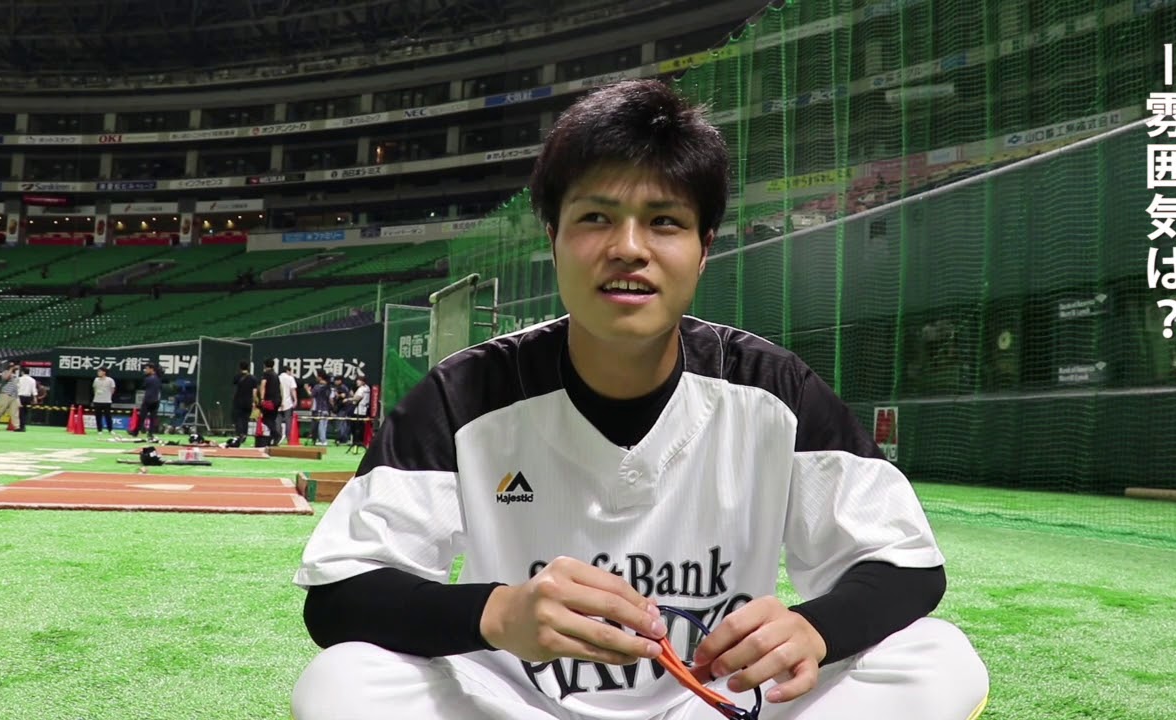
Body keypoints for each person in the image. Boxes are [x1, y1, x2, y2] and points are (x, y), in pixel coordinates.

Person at [290, 79, 989, 720]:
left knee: (937, 659)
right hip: (514, 705)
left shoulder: (772, 389)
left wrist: (815, 628)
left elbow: (905, 566)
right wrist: (497, 613)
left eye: (664, 222)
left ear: (704, 247)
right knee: (342, 683)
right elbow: (340, 596)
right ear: (554, 238)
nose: (628, 248)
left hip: (712, 703)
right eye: (596, 217)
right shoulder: (465, 392)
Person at [130, 362, 162, 441]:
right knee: (152, 418)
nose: (145, 370)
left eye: (147, 369)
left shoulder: (148, 379)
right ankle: (150, 434)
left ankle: (136, 432)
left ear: (152, 369)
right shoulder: (158, 378)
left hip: (148, 400)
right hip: (156, 400)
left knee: (142, 417)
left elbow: (144, 386)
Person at [0, 363, 20, 432]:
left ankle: (17, 427)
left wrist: (17, 397)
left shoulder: (16, 375)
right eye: (13, 366)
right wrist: (11, 369)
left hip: (14, 395)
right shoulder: (5, 372)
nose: (16, 367)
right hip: (5, 394)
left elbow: (16, 386)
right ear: (10, 367)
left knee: (15, 412)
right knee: (1, 411)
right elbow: (5, 378)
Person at [257, 358, 282, 446]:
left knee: (266, 419)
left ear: (264, 365)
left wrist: (262, 398)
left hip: (269, 401)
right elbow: (280, 388)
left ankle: (276, 434)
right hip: (277, 400)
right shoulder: (276, 375)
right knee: (272, 419)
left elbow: (263, 385)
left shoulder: (266, 374)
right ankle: (272, 439)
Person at [231, 361, 258, 439]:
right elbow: (254, 392)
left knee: (238, 418)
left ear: (240, 367)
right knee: (246, 419)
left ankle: (240, 433)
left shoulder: (237, 377)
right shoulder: (253, 378)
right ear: (248, 367)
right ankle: (245, 434)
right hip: (248, 401)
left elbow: (234, 388)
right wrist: (254, 401)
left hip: (238, 400)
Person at [305, 371, 333, 446]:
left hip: (320, 408)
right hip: (326, 408)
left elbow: (311, 395)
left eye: (317, 376)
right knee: (324, 425)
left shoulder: (318, 387)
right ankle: (323, 440)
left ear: (320, 377)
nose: (316, 377)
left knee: (321, 425)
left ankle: (322, 441)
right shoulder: (328, 387)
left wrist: (307, 389)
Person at [278, 365, 299, 443]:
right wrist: (295, 400)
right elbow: (293, 390)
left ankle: (278, 437)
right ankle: (289, 438)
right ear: (287, 371)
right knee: (288, 421)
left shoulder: (277, 378)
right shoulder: (290, 378)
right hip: (288, 402)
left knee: (278, 421)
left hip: (278, 403)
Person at [92, 368, 116, 433]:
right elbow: (94, 389)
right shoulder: (96, 380)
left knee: (108, 416)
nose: (98, 372)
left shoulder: (110, 380)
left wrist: (107, 395)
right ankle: (99, 430)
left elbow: (112, 390)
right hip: (97, 401)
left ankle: (110, 429)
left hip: (107, 401)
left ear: (104, 372)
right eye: (98, 371)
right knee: (98, 416)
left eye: (100, 371)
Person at [16, 366, 36, 431]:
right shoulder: (32, 380)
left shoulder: (19, 379)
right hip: (28, 398)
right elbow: (34, 390)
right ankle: (23, 425)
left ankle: (21, 426)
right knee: (25, 412)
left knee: (20, 412)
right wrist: (35, 398)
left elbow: (17, 389)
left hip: (20, 397)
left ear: (22, 372)